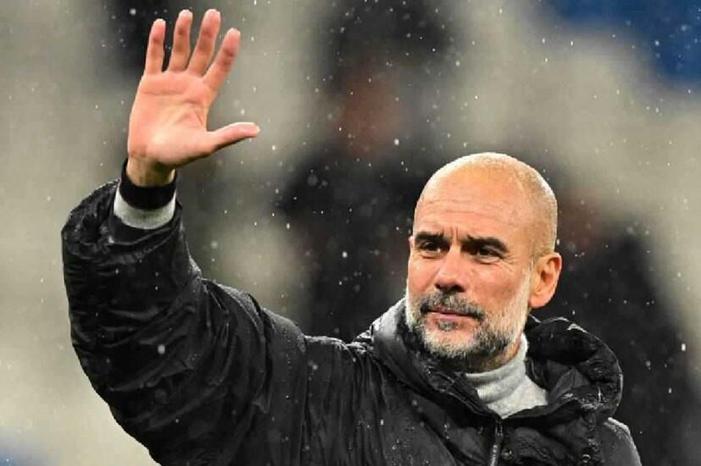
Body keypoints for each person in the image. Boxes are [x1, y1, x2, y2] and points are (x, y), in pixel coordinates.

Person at [62, 10, 641, 465]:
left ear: (543, 278)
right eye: (431, 246)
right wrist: (144, 191)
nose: (448, 274)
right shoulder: (325, 400)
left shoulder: (599, 450)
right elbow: (161, 353)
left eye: (483, 251)